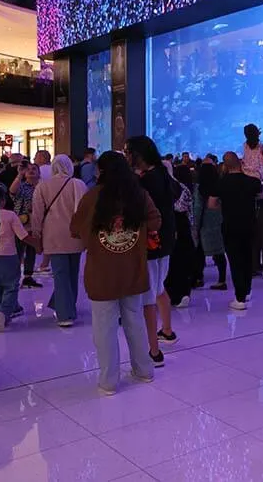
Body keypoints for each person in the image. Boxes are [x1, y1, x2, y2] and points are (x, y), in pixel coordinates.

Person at [69, 152, 159, 394]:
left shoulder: (91, 197)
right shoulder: (139, 195)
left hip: (101, 274)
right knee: (135, 322)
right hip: (133, 271)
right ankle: (144, 371)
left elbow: (75, 229)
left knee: (104, 329)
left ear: (101, 172)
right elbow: (156, 222)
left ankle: (108, 381)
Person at [125, 136, 178, 365]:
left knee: (148, 296)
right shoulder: (164, 174)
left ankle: (153, 352)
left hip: (150, 241)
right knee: (158, 288)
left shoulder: (145, 181)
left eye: (128, 152)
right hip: (165, 240)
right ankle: (167, 330)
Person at [31, 155, 87, 328]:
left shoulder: (43, 186)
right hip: (75, 236)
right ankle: (68, 307)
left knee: (60, 275)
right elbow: (83, 211)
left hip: (53, 237)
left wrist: (37, 235)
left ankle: (64, 313)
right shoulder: (78, 184)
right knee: (72, 274)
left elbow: (37, 214)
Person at [211, 152, 262, 310]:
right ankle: (246, 291)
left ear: (225, 165)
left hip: (230, 226)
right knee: (247, 257)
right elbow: (262, 196)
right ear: (240, 163)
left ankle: (239, 298)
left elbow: (211, 204)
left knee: (235, 260)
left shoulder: (220, 183)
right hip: (249, 225)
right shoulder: (253, 181)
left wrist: (225, 207)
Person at [0, 182, 40, 331]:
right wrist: (37, 244)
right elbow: (23, 236)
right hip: (7, 254)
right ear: (2, 200)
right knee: (11, 285)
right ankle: (3, 313)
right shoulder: (9, 215)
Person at [164, 163, 196, 308]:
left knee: (169, 263)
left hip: (169, 227)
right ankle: (183, 293)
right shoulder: (182, 187)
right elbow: (190, 210)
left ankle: (169, 294)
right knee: (182, 261)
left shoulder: (161, 188)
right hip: (183, 228)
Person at [193, 163, 228, 290]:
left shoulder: (199, 188)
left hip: (204, 224)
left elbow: (197, 208)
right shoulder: (220, 186)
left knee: (199, 252)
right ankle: (222, 280)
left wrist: (195, 226)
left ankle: (199, 278)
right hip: (219, 222)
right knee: (219, 252)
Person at [9, 162, 42, 287]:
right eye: (28, 169)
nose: (31, 171)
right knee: (18, 250)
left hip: (36, 223)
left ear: (39, 173)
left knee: (32, 251)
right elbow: (12, 191)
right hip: (21, 224)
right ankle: (14, 277)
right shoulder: (22, 186)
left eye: (34, 169)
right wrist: (19, 175)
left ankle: (28, 277)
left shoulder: (42, 187)